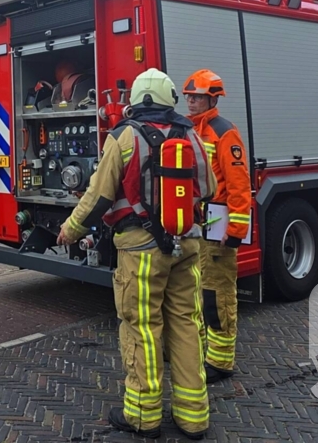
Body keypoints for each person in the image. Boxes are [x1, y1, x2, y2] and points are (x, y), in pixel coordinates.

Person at [57, 68, 217, 440]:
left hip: (140, 250)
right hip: (188, 244)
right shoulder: (191, 135)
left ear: (136, 102)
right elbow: (207, 188)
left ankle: (144, 417)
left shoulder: (124, 136)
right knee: (186, 324)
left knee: (142, 327)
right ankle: (194, 417)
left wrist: (71, 229)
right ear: (170, 100)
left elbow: (98, 197)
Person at [183, 69, 251, 384]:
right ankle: (204, 354)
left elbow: (238, 185)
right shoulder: (190, 131)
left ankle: (221, 362)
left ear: (212, 98)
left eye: (196, 97)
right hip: (197, 229)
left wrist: (236, 230)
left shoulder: (224, 132)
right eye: (189, 96)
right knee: (198, 294)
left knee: (217, 296)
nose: (191, 101)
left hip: (218, 233)